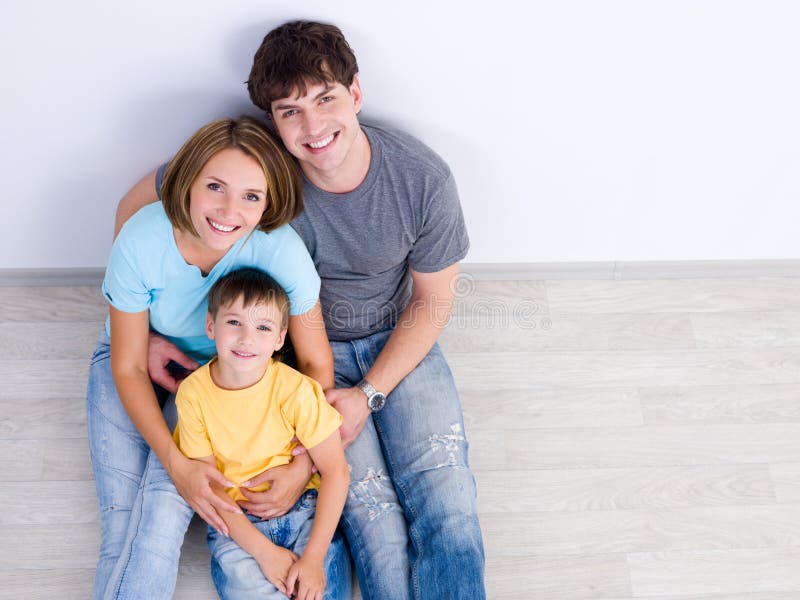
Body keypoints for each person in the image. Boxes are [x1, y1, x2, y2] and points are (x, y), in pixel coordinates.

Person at [117, 20, 486, 600]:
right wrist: (149, 318)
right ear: (272, 119)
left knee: (447, 499)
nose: (313, 127)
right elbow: (140, 206)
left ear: (356, 94)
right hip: (304, 355)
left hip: (399, 341)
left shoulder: (422, 178)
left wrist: (368, 395)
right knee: (372, 514)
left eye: (326, 99)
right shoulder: (259, 168)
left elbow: (434, 300)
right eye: (290, 111)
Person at [88, 115, 340, 599]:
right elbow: (128, 365)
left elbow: (314, 365)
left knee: (162, 506)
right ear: (188, 182)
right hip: (139, 358)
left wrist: (301, 463)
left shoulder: (282, 252)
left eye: (251, 196)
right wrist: (177, 464)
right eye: (216, 187)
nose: (229, 210)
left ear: (268, 202)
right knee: (127, 524)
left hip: (230, 371)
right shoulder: (141, 240)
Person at [173, 267, 350, 599]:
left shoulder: (296, 390)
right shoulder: (194, 395)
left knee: (318, 590)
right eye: (234, 322)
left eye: (263, 327)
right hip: (237, 526)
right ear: (211, 325)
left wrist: (312, 558)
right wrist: (262, 551)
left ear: (280, 338)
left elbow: (336, 472)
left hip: (304, 511)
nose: (246, 338)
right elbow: (211, 487)